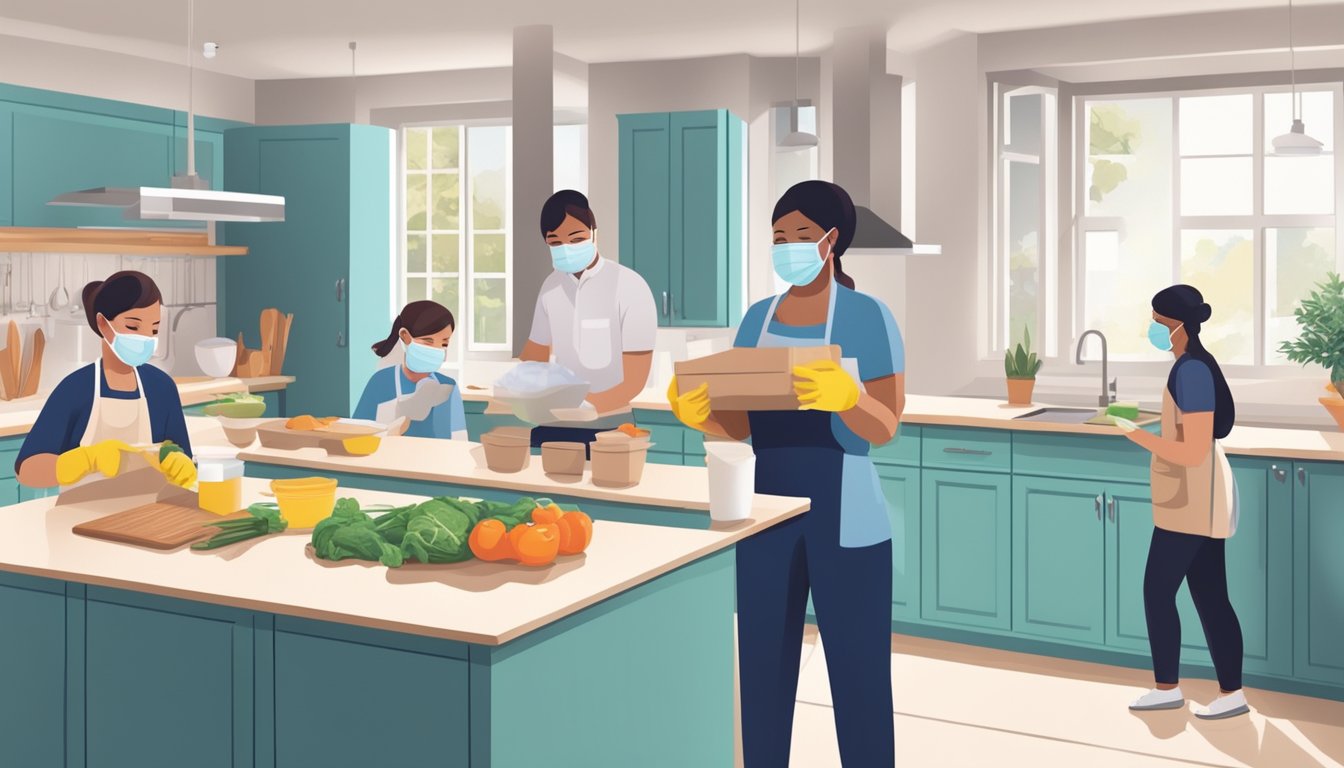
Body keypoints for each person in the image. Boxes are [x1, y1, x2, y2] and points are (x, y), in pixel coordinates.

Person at [668, 181, 905, 766]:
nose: (788, 247)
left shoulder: (868, 316)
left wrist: (847, 396)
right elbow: (740, 426)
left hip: (846, 517)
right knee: (762, 671)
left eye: (800, 235)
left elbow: (885, 425)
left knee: (859, 674)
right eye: (778, 236)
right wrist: (700, 413)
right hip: (765, 514)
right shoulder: (758, 318)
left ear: (832, 241)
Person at [1117, 285, 1248, 720]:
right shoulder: (1192, 366)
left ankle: (1167, 688)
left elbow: (1191, 451)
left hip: (1191, 500)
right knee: (1211, 596)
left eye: (1156, 322)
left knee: (1158, 591)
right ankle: (1231, 693)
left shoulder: (1191, 371)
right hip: (1197, 496)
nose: (1152, 329)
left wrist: (1136, 435)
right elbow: (1191, 428)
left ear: (1176, 326)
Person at [16, 271, 196, 490]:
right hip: (78, 519)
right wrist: (86, 460)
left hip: (148, 516)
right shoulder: (76, 389)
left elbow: (183, 457)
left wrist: (181, 462)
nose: (146, 338)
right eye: (133, 327)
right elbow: (27, 470)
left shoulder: (161, 388)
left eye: (154, 329)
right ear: (102, 324)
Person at [520, 190, 657, 447]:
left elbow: (635, 380)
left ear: (594, 232)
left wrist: (585, 405)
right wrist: (518, 386)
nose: (566, 248)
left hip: (610, 427)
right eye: (555, 242)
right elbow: (535, 353)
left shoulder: (629, 286)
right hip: (553, 426)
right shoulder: (550, 287)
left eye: (576, 238)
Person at [353, 300, 466, 440]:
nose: (437, 349)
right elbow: (357, 433)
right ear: (405, 336)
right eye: (428, 341)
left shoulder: (448, 387)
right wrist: (398, 415)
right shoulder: (380, 382)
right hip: (388, 460)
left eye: (444, 343)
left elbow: (460, 441)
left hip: (435, 460)